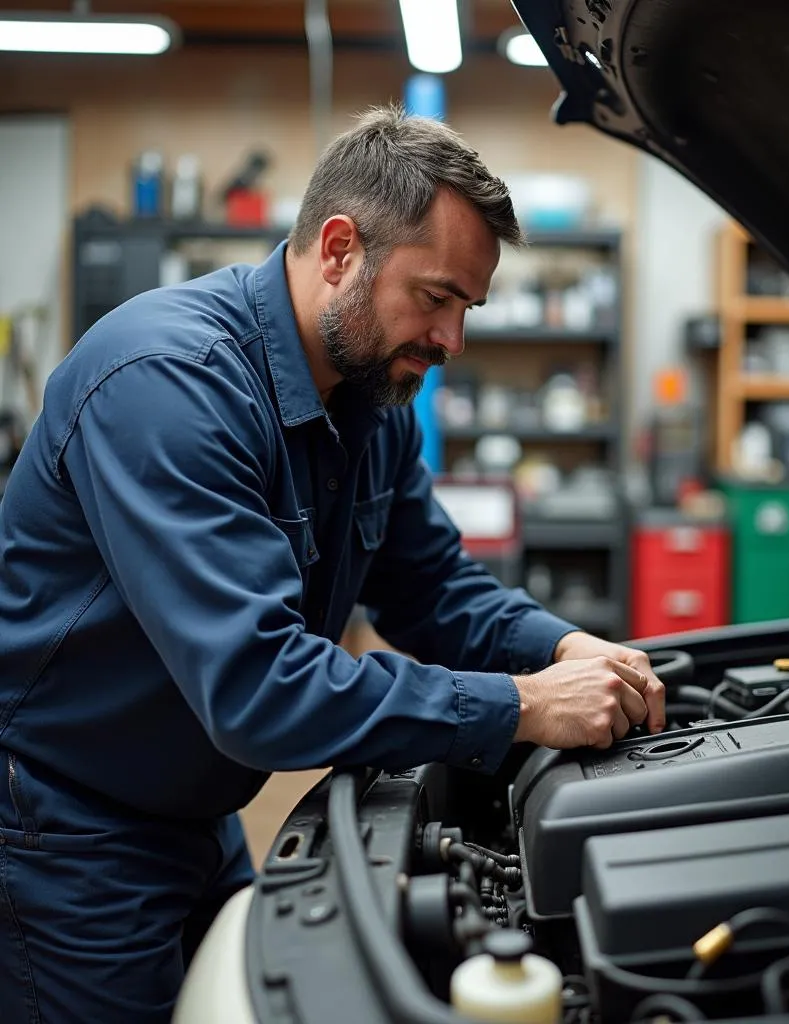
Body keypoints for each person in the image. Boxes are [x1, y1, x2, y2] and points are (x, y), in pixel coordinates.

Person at [0, 105, 666, 1022]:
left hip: (192, 813)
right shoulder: (166, 384)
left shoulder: (367, 403)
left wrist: (562, 650)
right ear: (341, 248)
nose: (451, 343)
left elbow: (432, 589)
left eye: (466, 309)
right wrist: (518, 706)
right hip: (62, 833)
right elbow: (260, 688)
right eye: (435, 298)